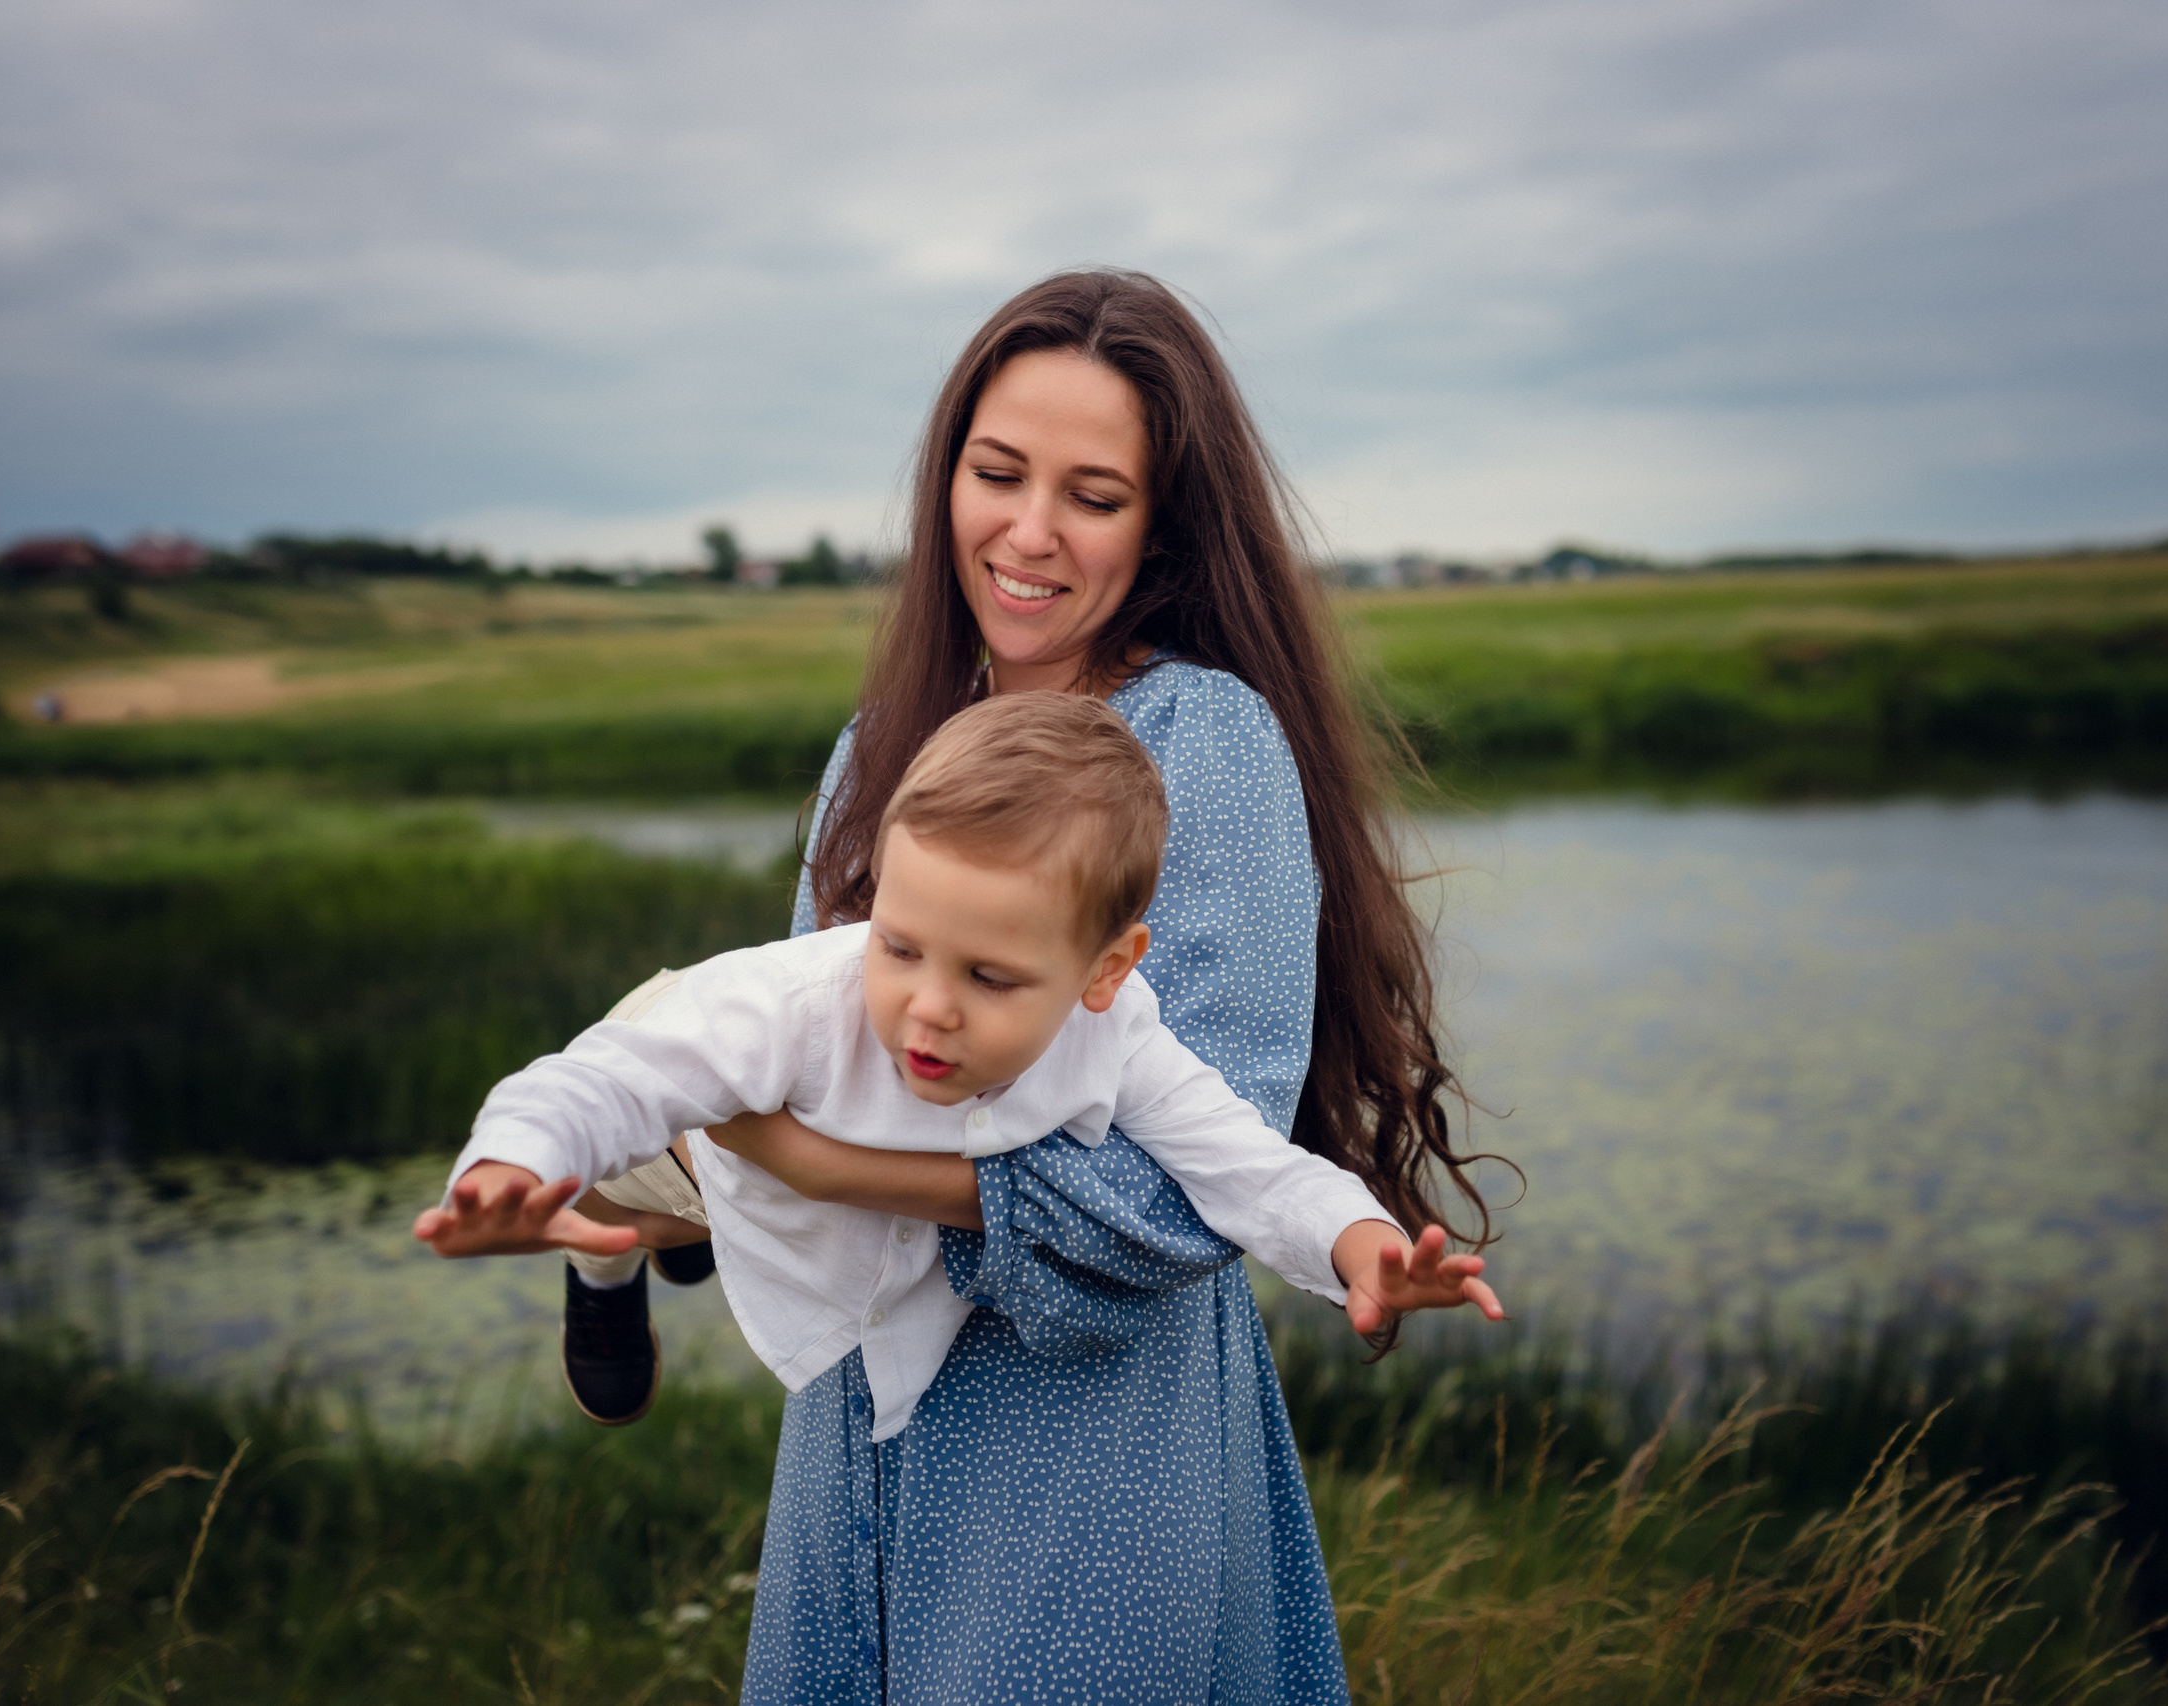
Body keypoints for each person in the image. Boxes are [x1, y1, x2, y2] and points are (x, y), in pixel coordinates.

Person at [535, 267, 1498, 1702]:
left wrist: (808, 1162)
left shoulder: (1202, 741)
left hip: (1087, 1461)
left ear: (1161, 523)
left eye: (1092, 495)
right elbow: (815, 1032)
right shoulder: (882, 744)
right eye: (996, 474)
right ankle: (637, 1226)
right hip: (857, 1430)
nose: (1029, 531)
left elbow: (1180, 1186)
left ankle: (649, 1221)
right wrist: (753, 1143)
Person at [415, 693, 1499, 1447]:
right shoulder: (793, 1004)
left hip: (795, 1178)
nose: (929, 1006)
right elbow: (600, 1081)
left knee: (711, 1215)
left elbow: (1250, 1169)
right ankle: (603, 1271)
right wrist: (508, 1163)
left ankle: (692, 1241)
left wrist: (1361, 1245)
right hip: (691, 1086)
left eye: (988, 975)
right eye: (897, 944)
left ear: (1106, 970)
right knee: (625, 1202)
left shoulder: (1122, 1038)